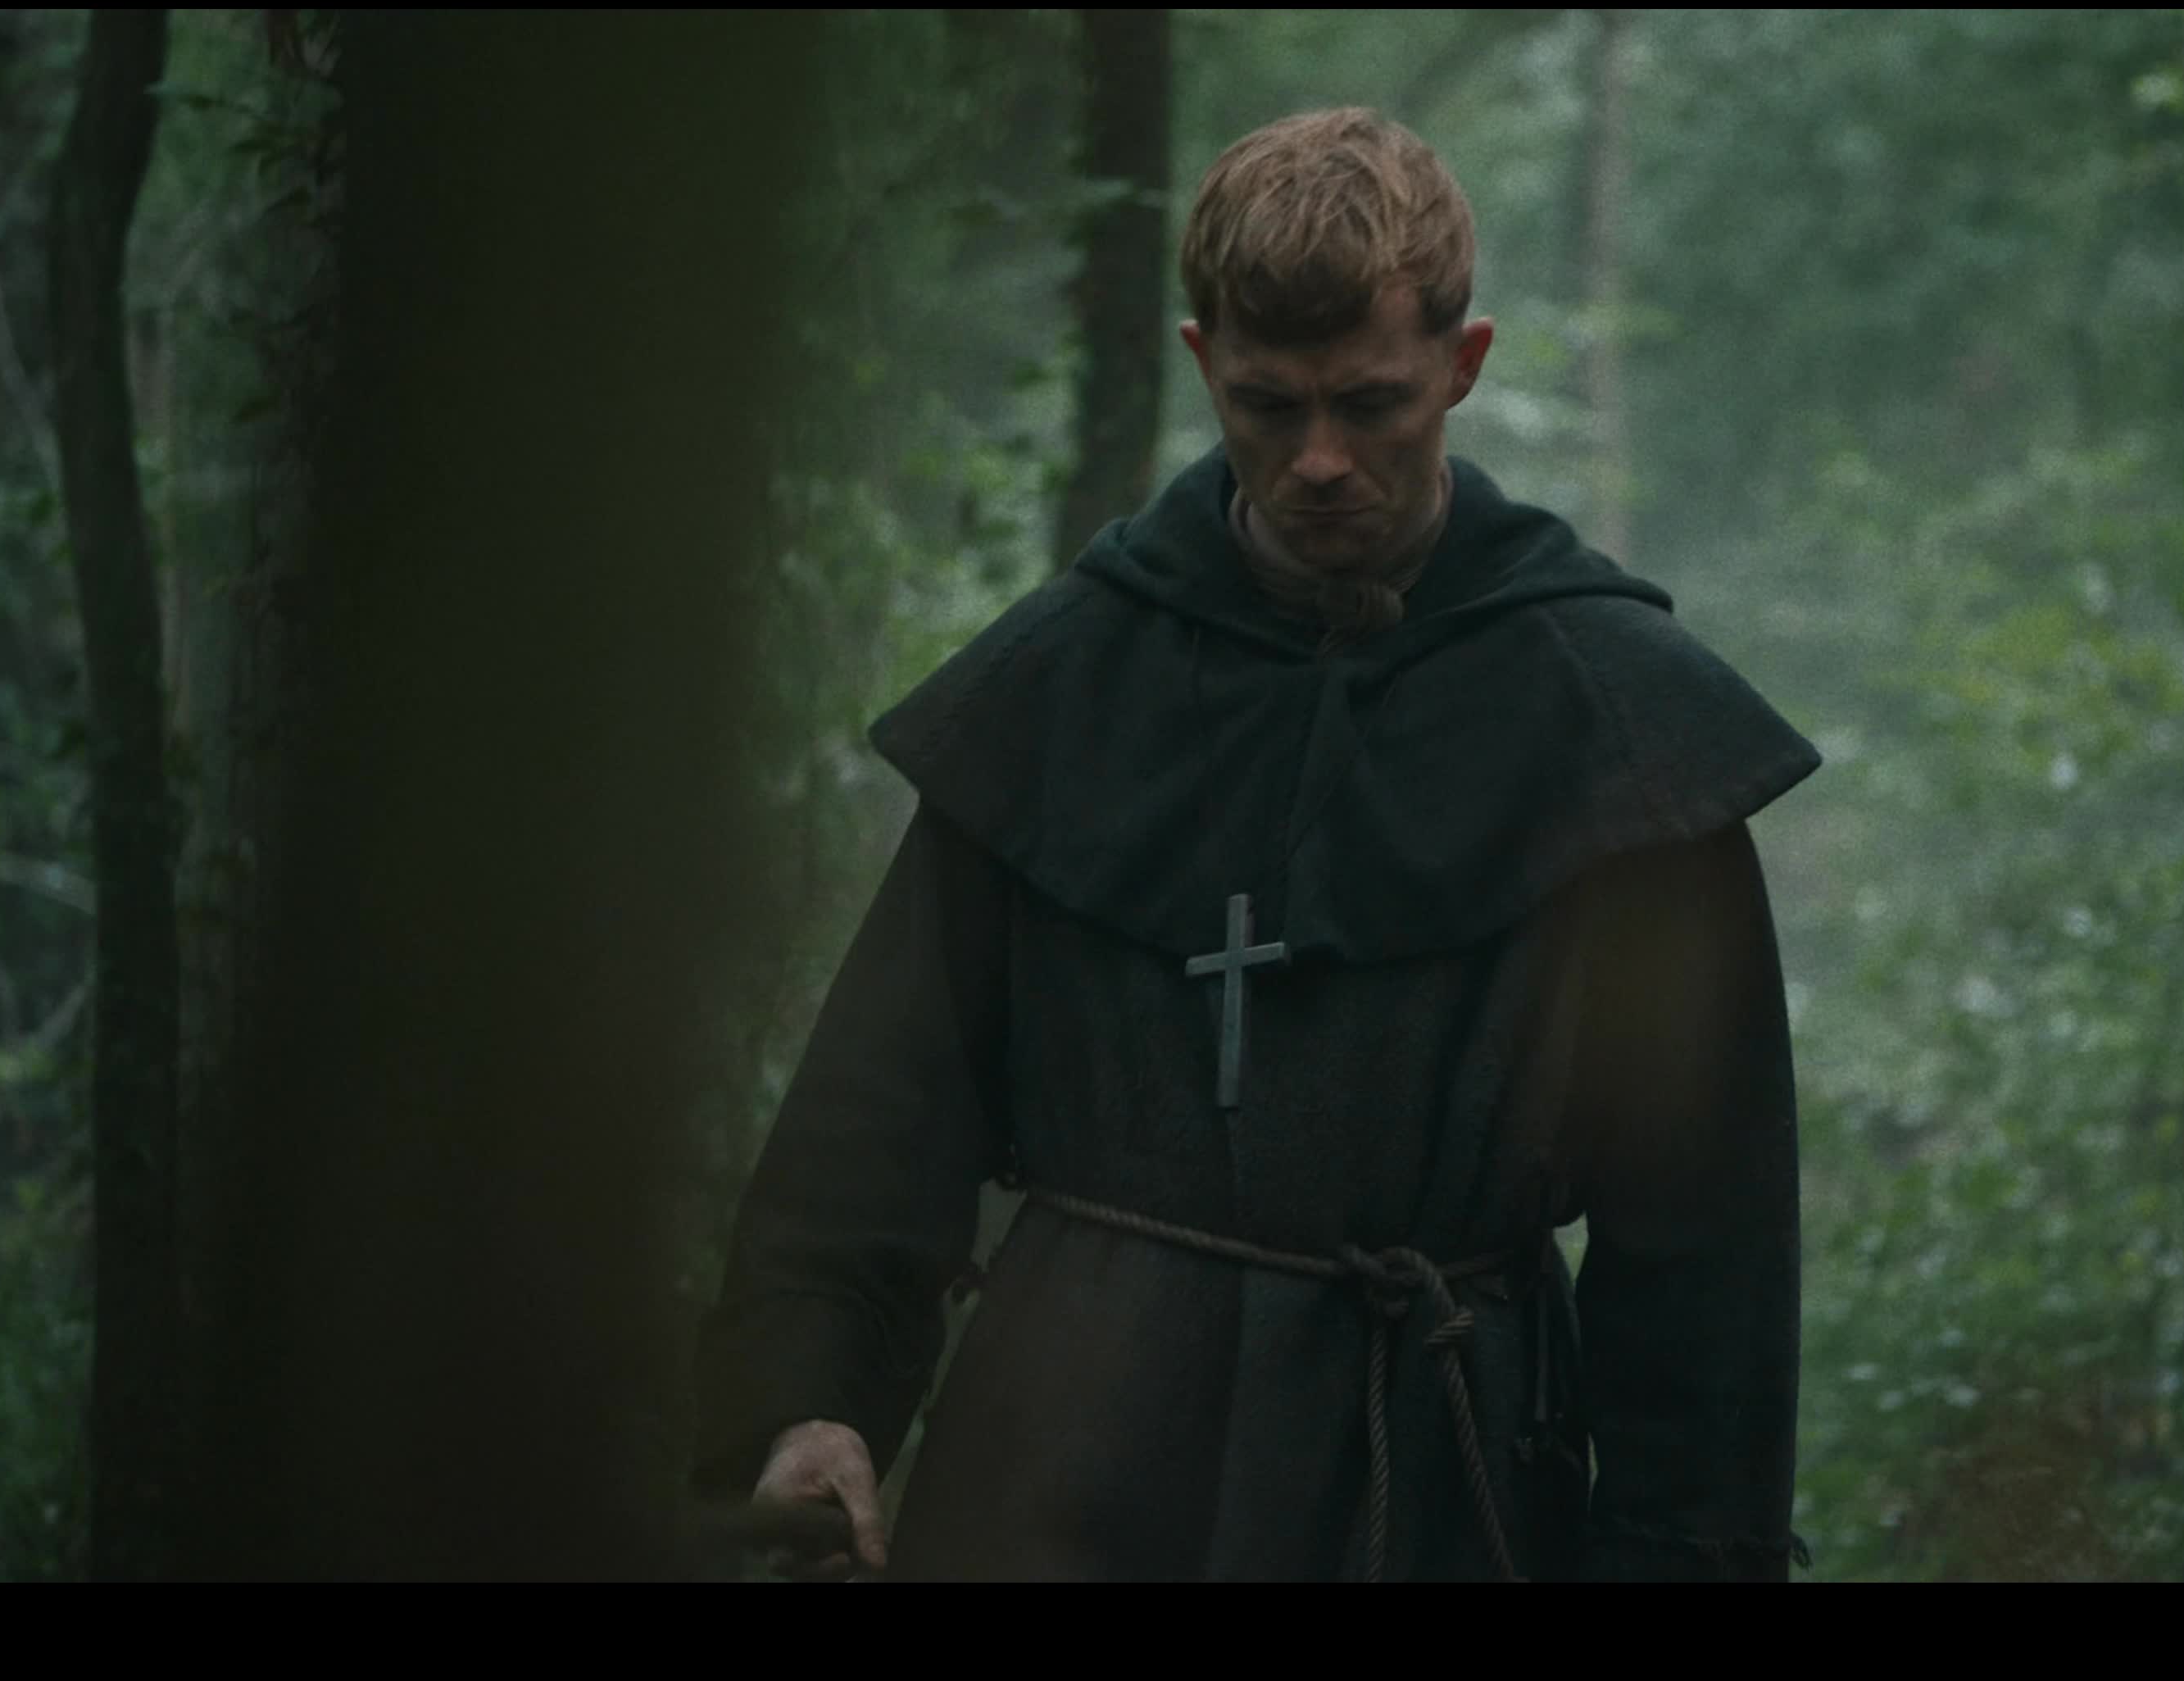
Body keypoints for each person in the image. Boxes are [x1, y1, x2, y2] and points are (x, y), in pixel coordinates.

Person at [694, 107, 1817, 1582]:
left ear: (1463, 365)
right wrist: (808, 1401)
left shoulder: (1617, 727)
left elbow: (1707, 1250)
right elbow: (883, 1108)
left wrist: (1681, 1555)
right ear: (1200, 362)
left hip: (1434, 1486)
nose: (1320, 460)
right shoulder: (1065, 686)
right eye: (1269, 406)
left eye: (1371, 402)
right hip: (1062, 1475)